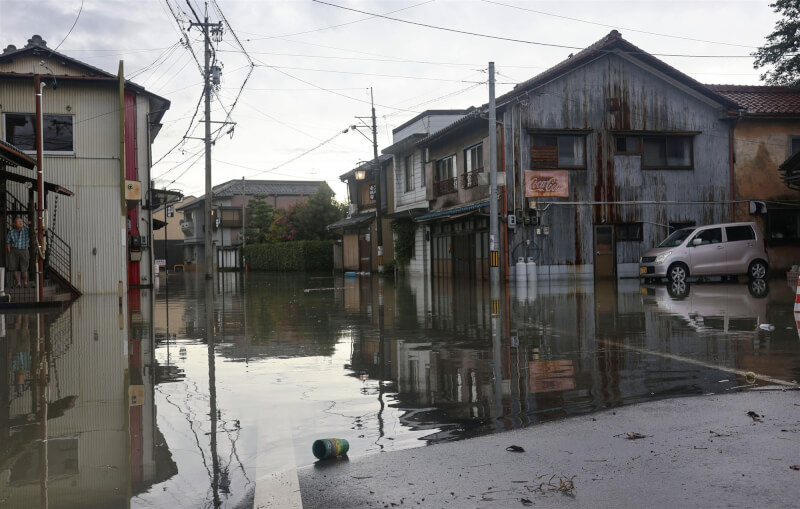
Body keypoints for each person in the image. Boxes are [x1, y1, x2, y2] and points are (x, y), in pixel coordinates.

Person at [6, 217, 30, 288]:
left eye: (21, 221)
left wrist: (30, 225)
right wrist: (9, 251)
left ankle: (25, 282)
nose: (21, 222)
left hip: (24, 250)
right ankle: (18, 283)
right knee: (15, 268)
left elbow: (33, 232)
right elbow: (8, 242)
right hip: (14, 250)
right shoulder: (11, 232)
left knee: (24, 268)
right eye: (18, 221)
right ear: (14, 224)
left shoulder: (26, 230)